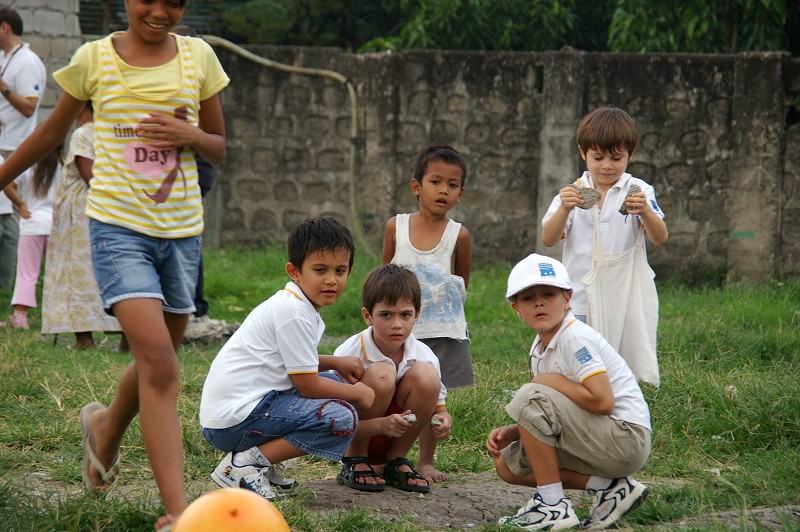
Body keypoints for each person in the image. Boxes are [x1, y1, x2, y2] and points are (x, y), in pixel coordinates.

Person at [0, 1, 230, 529]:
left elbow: (218, 146)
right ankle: (178, 513)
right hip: (116, 231)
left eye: (174, 2)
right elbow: (47, 134)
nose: (161, 11)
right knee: (161, 365)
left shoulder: (199, 58)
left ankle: (103, 430)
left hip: (180, 235)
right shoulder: (94, 59)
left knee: (158, 359)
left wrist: (190, 136)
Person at [200, 217, 375, 502]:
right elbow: (307, 386)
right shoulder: (293, 311)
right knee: (341, 416)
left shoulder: (297, 305)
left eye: (340, 270)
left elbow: (293, 361)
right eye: (320, 270)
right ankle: (245, 465)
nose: (331, 279)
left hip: (243, 410)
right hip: (233, 421)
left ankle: (261, 464)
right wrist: (357, 392)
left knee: (334, 383)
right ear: (295, 271)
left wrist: (334, 362)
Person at [487, 253, 652, 530]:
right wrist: (515, 430)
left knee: (530, 393)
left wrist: (549, 381)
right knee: (509, 464)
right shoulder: (540, 346)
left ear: (567, 299)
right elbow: (552, 408)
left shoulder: (574, 336)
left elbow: (603, 401)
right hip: (602, 437)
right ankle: (611, 489)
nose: (539, 302)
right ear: (516, 308)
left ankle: (553, 507)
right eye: (528, 298)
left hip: (626, 437)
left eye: (548, 294)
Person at [540, 106, 668, 387]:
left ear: (630, 155)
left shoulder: (639, 191)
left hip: (623, 297)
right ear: (582, 153)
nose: (607, 166)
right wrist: (564, 207)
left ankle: (616, 399)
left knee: (617, 362)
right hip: (579, 295)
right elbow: (548, 238)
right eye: (598, 157)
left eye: (616, 157)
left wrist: (645, 212)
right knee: (579, 356)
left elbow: (660, 237)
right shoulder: (573, 191)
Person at [382, 144, 472, 483]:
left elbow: (462, 281)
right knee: (397, 392)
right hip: (401, 331)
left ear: (460, 193)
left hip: (442, 331)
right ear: (417, 186)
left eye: (452, 184)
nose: (443, 190)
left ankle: (426, 460)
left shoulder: (458, 235)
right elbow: (384, 275)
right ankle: (390, 455)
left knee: (435, 400)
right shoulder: (396, 227)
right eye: (436, 181)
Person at [332, 264, 452, 493]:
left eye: (405, 314)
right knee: (381, 374)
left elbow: (438, 410)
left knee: (426, 375)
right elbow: (333, 413)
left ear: (417, 314)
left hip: (398, 435)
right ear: (368, 315)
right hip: (355, 435)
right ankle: (355, 460)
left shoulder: (425, 355)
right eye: (386, 315)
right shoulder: (348, 353)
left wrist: (443, 422)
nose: (396, 324)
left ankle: (396, 462)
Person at [41, 101, 122, 349]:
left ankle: (84, 339)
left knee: (77, 274)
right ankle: (126, 339)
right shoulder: (115, 131)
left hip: (83, 214)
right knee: (116, 270)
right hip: (113, 207)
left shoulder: (84, 132)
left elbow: (89, 175)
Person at [0, 6, 46, 291]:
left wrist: (3, 87)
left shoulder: (27, 61)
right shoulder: (5, 58)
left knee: (18, 216)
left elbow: (29, 107)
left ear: (4, 28)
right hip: (2, 144)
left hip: (16, 149)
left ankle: (21, 287)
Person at [4, 141, 61, 329]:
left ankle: (20, 318)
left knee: (27, 273)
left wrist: (21, 205)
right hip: (56, 225)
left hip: (32, 223)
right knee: (57, 273)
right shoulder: (63, 167)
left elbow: (7, 185)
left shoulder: (29, 166)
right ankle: (57, 317)